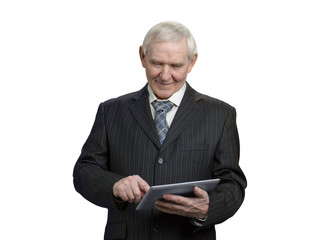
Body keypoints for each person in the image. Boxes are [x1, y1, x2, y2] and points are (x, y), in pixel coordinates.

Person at [73, 21, 247, 240]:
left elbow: (233, 184)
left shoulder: (220, 115)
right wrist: (114, 186)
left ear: (192, 62)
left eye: (175, 66)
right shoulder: (111, 111)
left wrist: (208, 207)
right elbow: (84, 171)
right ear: (142, 57)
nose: (165, 76)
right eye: (157, 63)